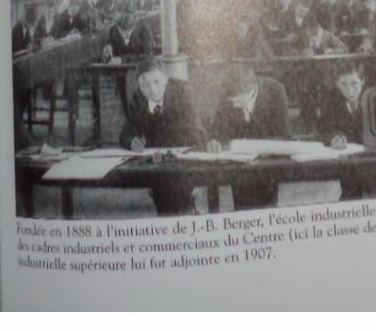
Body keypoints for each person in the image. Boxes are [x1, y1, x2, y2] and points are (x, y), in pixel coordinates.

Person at [119, 58, 201, 216]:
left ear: (166, 79)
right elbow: (125, 133)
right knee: (165, 206)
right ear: (139, 85)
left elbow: (195, 132)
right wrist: (132, 141)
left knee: (176, 200)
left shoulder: (183, 92)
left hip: (184, 158)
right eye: (145, 85)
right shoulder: (139, 98)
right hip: (157, 164)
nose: (152, 89)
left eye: (156, 81)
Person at [206, 64, 289, 210]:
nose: (233, 105)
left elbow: (283, 132)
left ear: (250, 91)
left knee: (267, 208)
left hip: (267, 163)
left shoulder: (276, 90)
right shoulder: (228, 93)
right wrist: (215, 140)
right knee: (241, 208)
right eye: (230, 101)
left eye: (237, 101)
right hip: (239, 164)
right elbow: (218, 127)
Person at [313, 61, 370, 199]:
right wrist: (333, 137)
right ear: (337, 83)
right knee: (350, 196)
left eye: (354, 83)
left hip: (374, 158)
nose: (350, 91)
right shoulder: (331, 98)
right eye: (344, 84)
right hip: (349, 163)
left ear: (363, 81)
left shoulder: (373, 96)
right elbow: (322, 128)